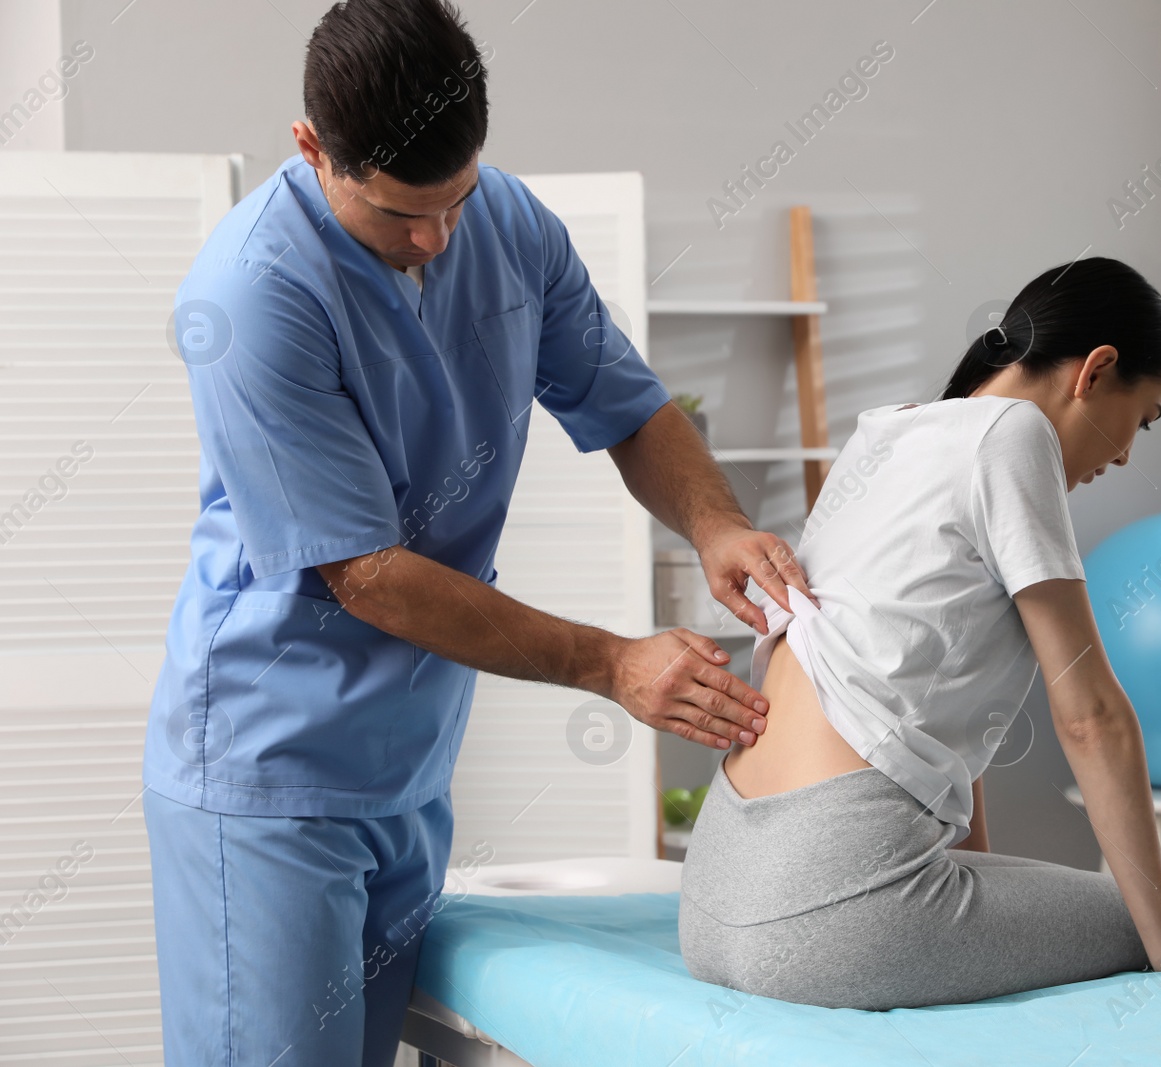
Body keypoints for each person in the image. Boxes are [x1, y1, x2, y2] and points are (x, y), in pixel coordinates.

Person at [138, 2, 810, 1064]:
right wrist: (610, 662)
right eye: (401, 214)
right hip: (268, 770)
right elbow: (370, 575)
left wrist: (715, 523)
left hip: (406, 767)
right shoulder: (252, 295)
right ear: (312, 147)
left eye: (454, 198)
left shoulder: (507, 222)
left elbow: (628, 405)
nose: (436, 239)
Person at [677, 257, 1161, 1010]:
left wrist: (972, 899)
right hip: (825, 905)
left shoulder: (888, 435)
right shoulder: (1014, 435)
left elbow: (937, 716)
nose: (1122, 456)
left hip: (717, 888)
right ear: (1096, 369)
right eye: (1139, 420)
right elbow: (1091, 716)